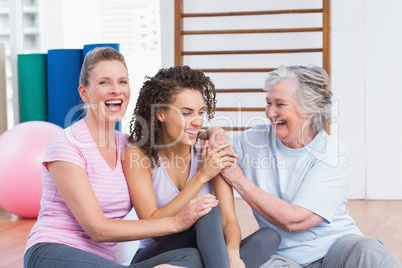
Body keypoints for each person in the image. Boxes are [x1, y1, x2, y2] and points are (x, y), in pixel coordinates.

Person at [23, 47, 218, 268]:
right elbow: (97, 230)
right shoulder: (67, 144)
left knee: (190, 257)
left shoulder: (129, 146)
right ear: (84, 93)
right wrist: (175, 222)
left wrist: (213, 132)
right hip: (53, 251)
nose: (116, 90)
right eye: (104, 82)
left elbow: (175, 133)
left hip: (104, 262)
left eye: (122, 82)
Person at [201, 65, 402, 267]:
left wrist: (238, 179)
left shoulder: (331, 153)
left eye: (280, 104)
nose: (270, 113)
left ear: (310, 109)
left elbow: (294, 220)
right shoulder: (254, 140)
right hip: (283, 258)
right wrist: (217, 131)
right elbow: (206, 140)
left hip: (336, 249)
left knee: (369, 250)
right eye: (268, 103)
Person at [122, 65, 281, 268]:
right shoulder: (138, 153)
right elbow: (152, 228)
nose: (198, 121)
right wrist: (202, 176)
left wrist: (233, 254)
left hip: (205, 251)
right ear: (160, 113)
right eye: (187, 113)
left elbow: (229, 220)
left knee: (269, 236)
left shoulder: (210, 149)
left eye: (200, 112)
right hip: (157, 254)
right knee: (206, 210)